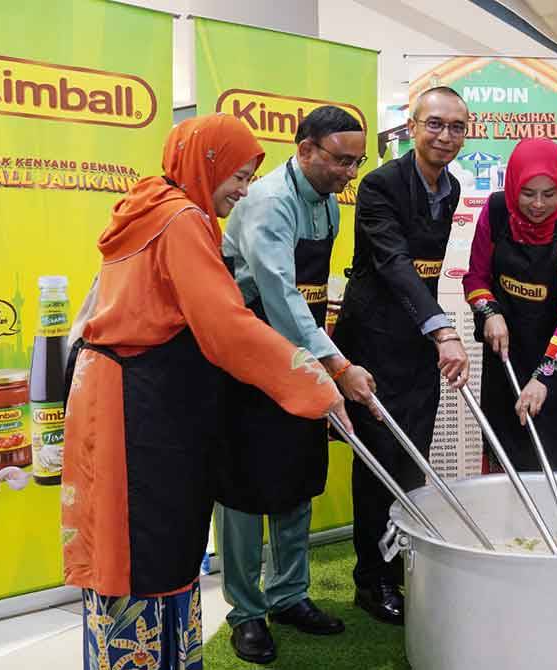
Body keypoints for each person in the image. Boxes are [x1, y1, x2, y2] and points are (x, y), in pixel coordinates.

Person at [60, 114, 346, 670]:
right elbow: (226, 325)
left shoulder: (149, 205)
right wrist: (316, 383)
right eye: (237, 175)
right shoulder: (181, 219)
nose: (244, 191)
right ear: (205, 163)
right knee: (147, 545)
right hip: (140, 410)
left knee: (157, 540)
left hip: (128, 396)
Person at [215, 106, 378, 665]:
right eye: (339, 160)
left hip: (298, 358)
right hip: (247, 359)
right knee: (241, 491)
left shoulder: (328, 200)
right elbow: (280, 298)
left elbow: (311, 296)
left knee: (296, 476)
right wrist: (336, 366)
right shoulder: (268, 203)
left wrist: (321, 358)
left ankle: (288, 595)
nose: (348, 173)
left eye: (356, 161)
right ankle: (246, 612)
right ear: (305, 148)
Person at [332, 86, 470, 625]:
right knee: (377, 464)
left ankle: (403, 564)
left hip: (416, 345)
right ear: (411, 127)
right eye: (434, 124)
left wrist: (431, 333)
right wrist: (442, 330)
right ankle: (372, 580)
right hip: (372, 344)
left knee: (414, 461)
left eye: (456, 126)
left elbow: (425, 273)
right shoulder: (379, 184)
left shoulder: (452, 187)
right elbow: (392, 264)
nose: (445, 136)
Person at [462, 138, 557, 473]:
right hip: (505, 358)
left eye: (549, 194)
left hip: (556, 365)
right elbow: (476, 279)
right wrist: (490, 313)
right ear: (513, 186)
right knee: (505, 459)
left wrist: (544, 379)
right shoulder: (497, 212)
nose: (538, 204)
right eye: (528, 193)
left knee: (553, 464)